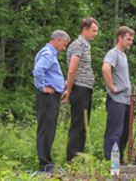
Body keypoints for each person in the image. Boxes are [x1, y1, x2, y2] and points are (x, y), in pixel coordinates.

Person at [33, 30, 70, 173]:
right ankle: (45, 164)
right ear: (58, 40)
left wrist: (61, 85)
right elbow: (38, 70)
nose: (64, 48)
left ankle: (47, 162)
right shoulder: (48, 54)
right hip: (47, 98)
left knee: (49, 130)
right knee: (46, 130)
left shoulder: (50, 53)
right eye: (64, 45)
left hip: (52, 97)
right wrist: (43, 87)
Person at [62, 17, 99, 162]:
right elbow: (72, 69)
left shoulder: (86, 45)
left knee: (84, 125)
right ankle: (71, 158)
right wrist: (69, 90)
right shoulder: (78, 45)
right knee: (78, 125)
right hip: (79, 89)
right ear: (84, 29)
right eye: (93, 31)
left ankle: (79, 157)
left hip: (86, 88)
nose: (95, 34)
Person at [102, 26, 134, 160]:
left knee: (124, 133)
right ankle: (110, 163)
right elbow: (105, 68)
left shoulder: (123, 55)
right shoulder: (113, 53)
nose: (130, 42)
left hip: (125, 101)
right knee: (114, 132)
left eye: (132, 40)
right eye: (128, 39)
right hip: (116, 100)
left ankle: (118, 161)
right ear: (120, 38)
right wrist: (112, 87)